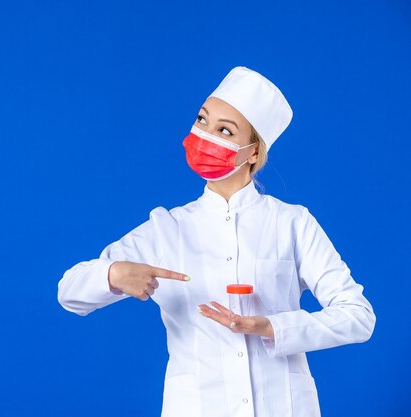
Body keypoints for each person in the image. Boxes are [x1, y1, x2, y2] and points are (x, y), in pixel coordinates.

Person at [57, 66, 376, 417]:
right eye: (202, 120)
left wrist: (274, 326)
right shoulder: (168, 228)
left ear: (253, 152)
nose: (206, 135)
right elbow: (69, 292)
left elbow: (357, 316)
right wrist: (113, 274)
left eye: (225, 130)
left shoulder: (291, 223)